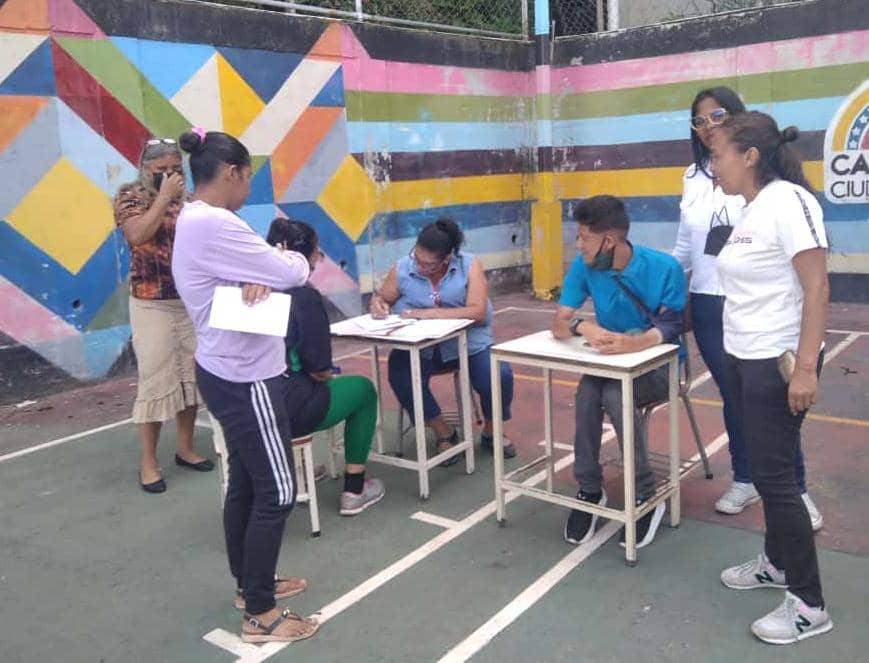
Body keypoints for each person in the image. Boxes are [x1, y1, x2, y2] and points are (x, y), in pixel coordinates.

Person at [171, 128, 318, 644]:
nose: (249, 184)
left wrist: (262, 274)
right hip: (246, 375)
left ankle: (249, 585)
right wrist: (283, 266)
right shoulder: (216, 225)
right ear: (231, 172)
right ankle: (260, 613)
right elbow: (292, 269)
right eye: (248, 174)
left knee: (247, 484)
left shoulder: (197, 221)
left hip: (225, 367)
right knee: (277, 488)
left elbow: (256, 273)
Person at [674, 87, 822, 529]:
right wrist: (661, 283)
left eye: (716, 116)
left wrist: (808, 364)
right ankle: (745, 477)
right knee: (734, 397)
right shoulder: (692, 176)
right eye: (699, 121)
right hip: (710, 300)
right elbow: (687, 244)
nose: (708, 127)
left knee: (773, 406)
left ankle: (793, 489)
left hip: (761, 307)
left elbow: (811, 279)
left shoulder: (773, 191)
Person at [712, 112, 832, 644]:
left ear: (750, 156)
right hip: (745, 359)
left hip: (776, 364)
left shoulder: (789, 201)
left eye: (718, 155)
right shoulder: (753, 209)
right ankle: (778, 564)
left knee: (778, 483)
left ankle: (808, 603)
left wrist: (804, 367)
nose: (713, 166)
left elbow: (817, 288)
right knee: (766, 474)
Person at [552, 195, 686, 550]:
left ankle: (645, 494)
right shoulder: (584, 266)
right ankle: (590, 491)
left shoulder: (664, 267)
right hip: (609, 366)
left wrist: (638, 343)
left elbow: (672, 327)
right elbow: (559, 322)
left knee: (615, 394)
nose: (577, 245)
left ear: (608, 241)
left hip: (661, 366)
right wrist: (584, 327)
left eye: (583, 237)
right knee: (586, 394)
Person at [369, 217, 517, 464]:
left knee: (498, 374)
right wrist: (378, 304)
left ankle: (492, 430)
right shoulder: (403, 268)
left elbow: (477, 312)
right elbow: (383, 297)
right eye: (416, 258)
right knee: (400, 373)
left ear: (446, 258)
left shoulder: (470, 265)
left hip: (468, 345)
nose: (419, 265)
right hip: (422, 348)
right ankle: (443, 430)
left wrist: (428, 313)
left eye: (427, 264)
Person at [265, 217, 385, 516]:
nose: (318, 259)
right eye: (317, 252)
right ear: (304, 257)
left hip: (249, 403)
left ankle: (295, 471)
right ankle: (355, 489)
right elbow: (318, 368)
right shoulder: (304, 297)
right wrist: (326, 373)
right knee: (363, 390)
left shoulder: (250, 288)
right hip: (291, 406)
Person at [114, 138, 212, 494]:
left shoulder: (189, 203)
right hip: (150, 302)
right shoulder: (131, 198)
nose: (171, 175)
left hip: (188, 301)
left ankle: (185, 448)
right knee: (156, 379)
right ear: (146, 170)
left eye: (176, 169)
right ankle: (149, 461)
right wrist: (163, 198)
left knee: (190, 376)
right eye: (162, 171)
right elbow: (138, 235)